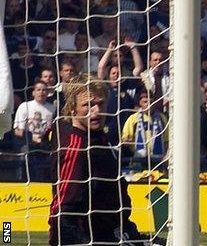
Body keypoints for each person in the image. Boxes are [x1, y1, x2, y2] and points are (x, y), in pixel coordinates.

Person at [47, 74, 152, 245]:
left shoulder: (97, 135)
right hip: (95, 238)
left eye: (100, 104)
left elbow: (56, 127)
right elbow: (63, 215)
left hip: (119, 231)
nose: (96, 111)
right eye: (88, 105)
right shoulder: (76, 147)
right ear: (72, 108)